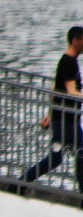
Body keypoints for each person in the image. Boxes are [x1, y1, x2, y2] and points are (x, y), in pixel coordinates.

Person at [22, 26, 83, 188]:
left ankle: (20, 182)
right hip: (65, 120)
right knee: (61, 158)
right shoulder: (69, 62)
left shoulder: (68, 61)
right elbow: (70, 91)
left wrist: (49, 114)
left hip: (66, 117)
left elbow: (55, 89)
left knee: (75, 155)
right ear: (75, 41)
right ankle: (20, 183)